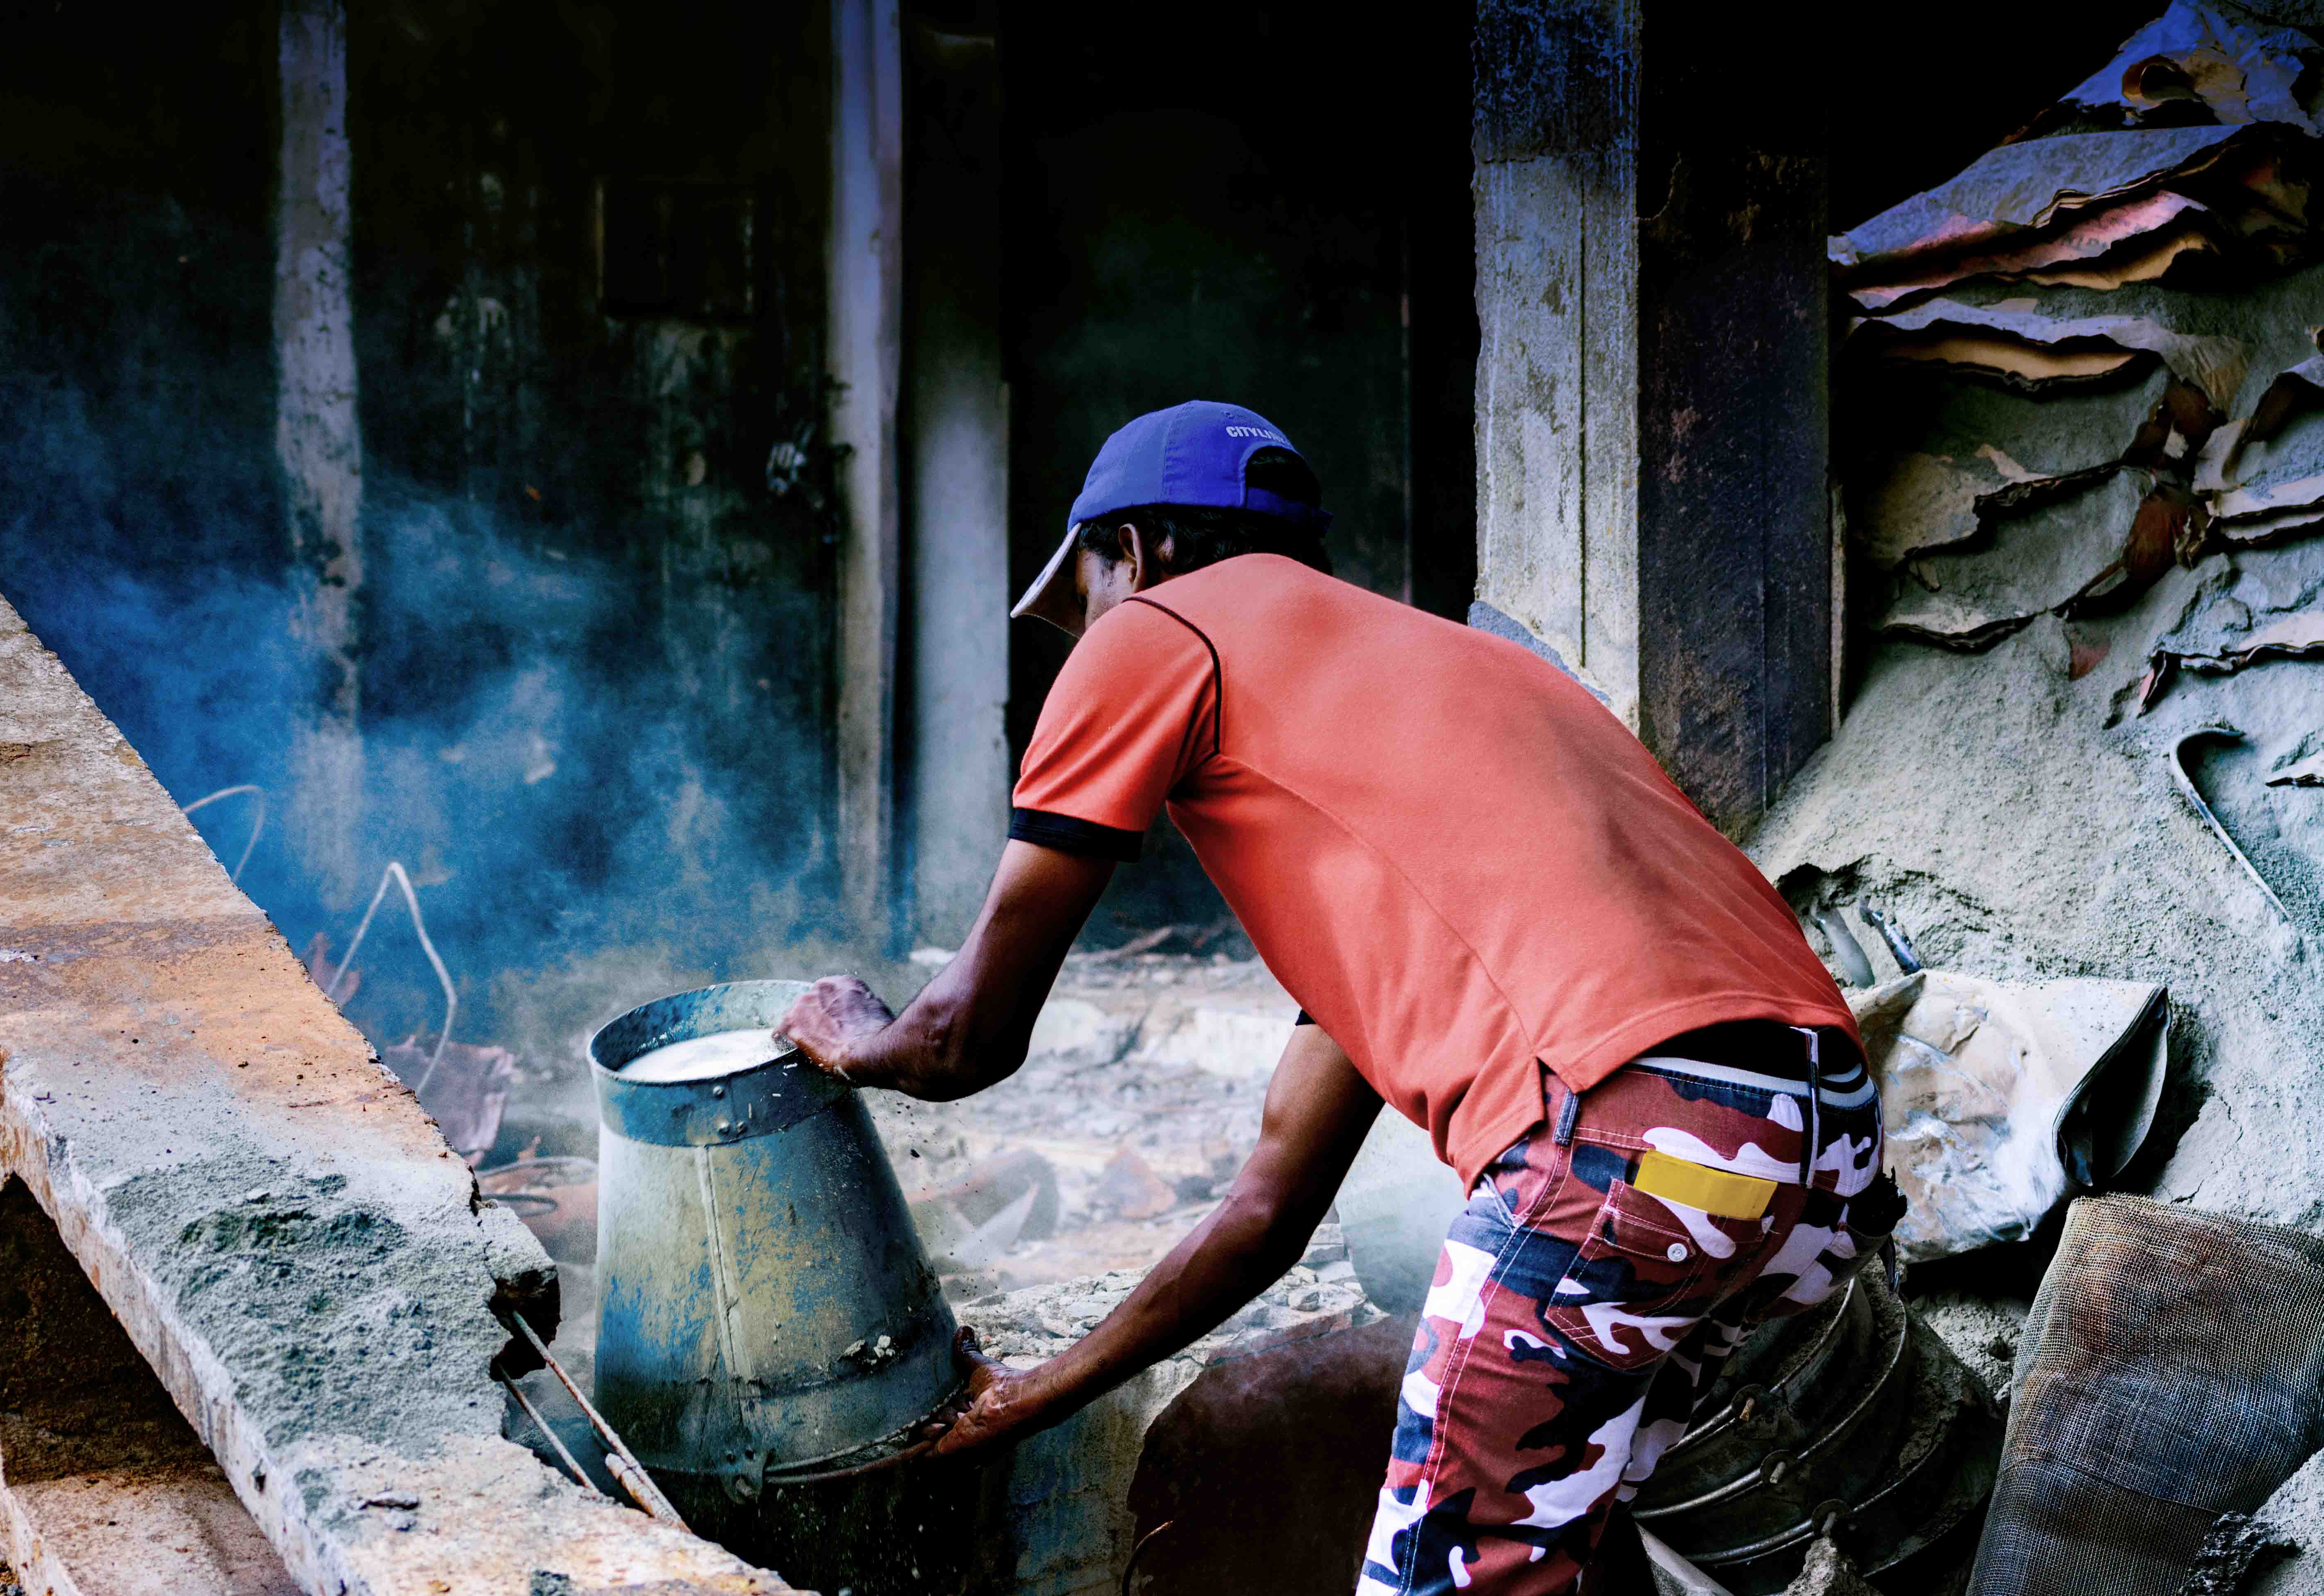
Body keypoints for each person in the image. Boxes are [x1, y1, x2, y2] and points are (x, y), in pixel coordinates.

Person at [778, 400, 1900, 1596]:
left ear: (1142, 551)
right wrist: (1022, 1398)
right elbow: (1266, 1214)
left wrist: (848, 1038)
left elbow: (965, 1040)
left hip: (1625, 1138)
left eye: (1091, 588)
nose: (1089, 633)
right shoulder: (1448, 720)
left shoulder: (1156, 629)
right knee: (1558, 1548)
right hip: (1811, 1150)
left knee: (1436, 1577)